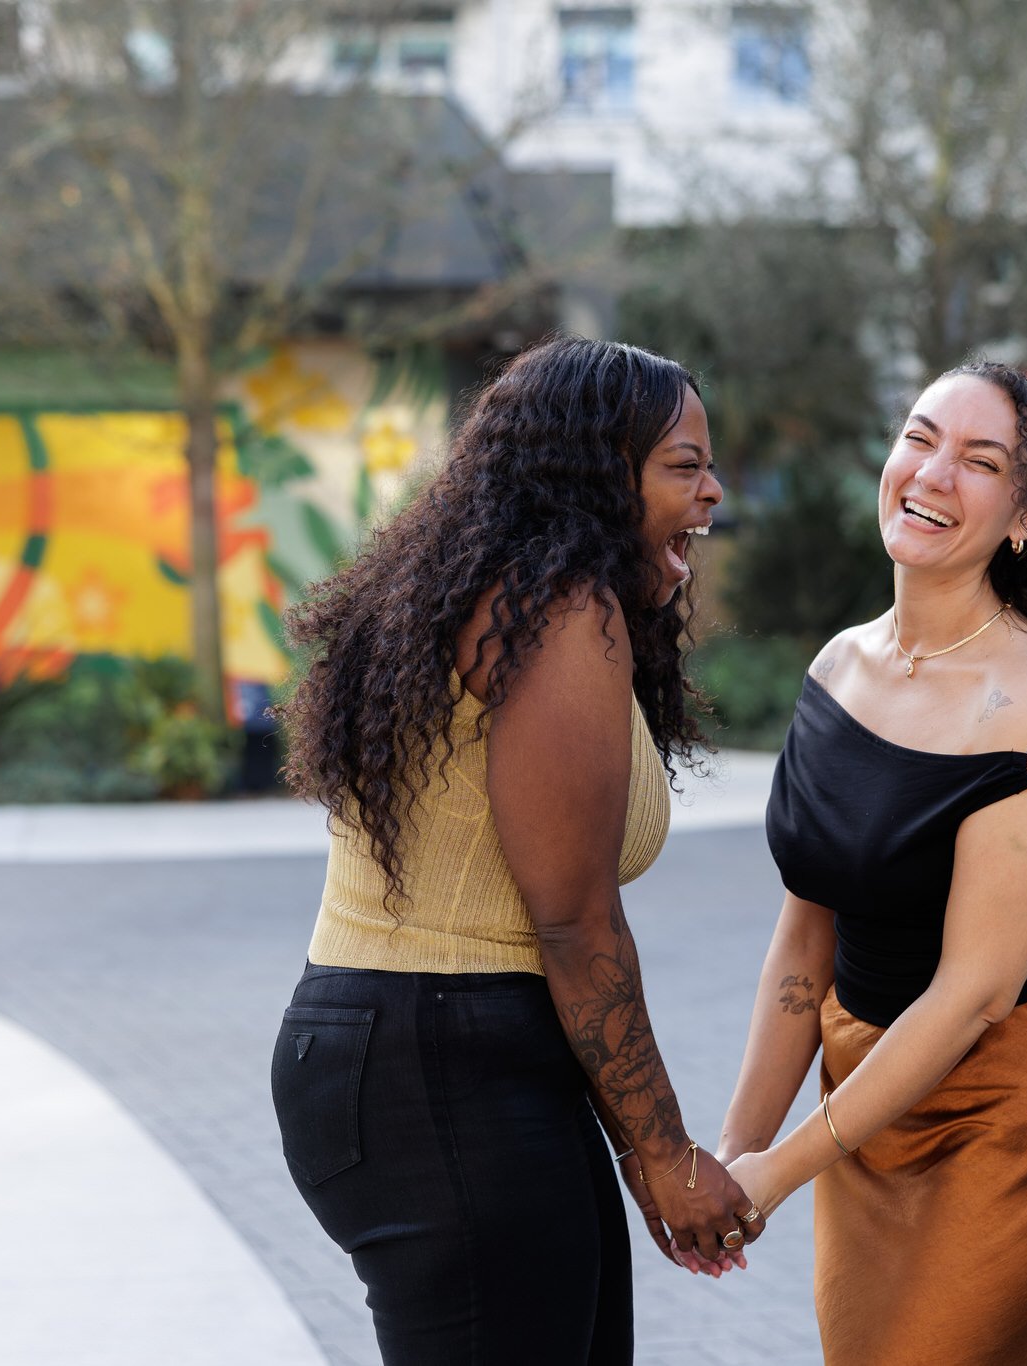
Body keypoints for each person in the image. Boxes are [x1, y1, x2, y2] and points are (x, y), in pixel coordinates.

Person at [269, 337, 761, 1365]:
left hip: (424, 1050)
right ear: (592, 473)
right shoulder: (555, 610)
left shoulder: (488, 591)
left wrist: (634, 1141)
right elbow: (573, 922)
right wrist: (665, 1155)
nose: (712, 491)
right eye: (682, 464)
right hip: (443, 1062)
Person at [716, 362, 1027, 1365]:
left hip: (1002, 1104)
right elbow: (804, 936)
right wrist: (732, 1159)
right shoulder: (836, 669)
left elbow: (971, 996)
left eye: (978, 460)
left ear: (1026, 512)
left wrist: (780, 1170)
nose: (931, 472)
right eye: (918, 438)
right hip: (864, 1094)